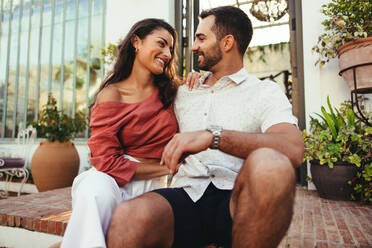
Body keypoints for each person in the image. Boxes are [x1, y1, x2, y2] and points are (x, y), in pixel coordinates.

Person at [106, 5, 304, 248]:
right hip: (186, 194)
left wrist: (214, 137)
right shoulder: (182, 91)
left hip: (238, 199)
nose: (193, 46)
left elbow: (292, 149)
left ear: (227, 42)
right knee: (129, 218)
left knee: (271, 166)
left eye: (201, 38)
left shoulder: (264, 92)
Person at [59, 18, 184, 248]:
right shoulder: (111, 94)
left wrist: (198, 81)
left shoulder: (174, 91)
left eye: (171, 48)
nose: (167, 53)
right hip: (114, 180)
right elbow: (105, 159)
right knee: (94, 191)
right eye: (161, 43)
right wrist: (169, 166)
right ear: (137, 42)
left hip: (156, 184)